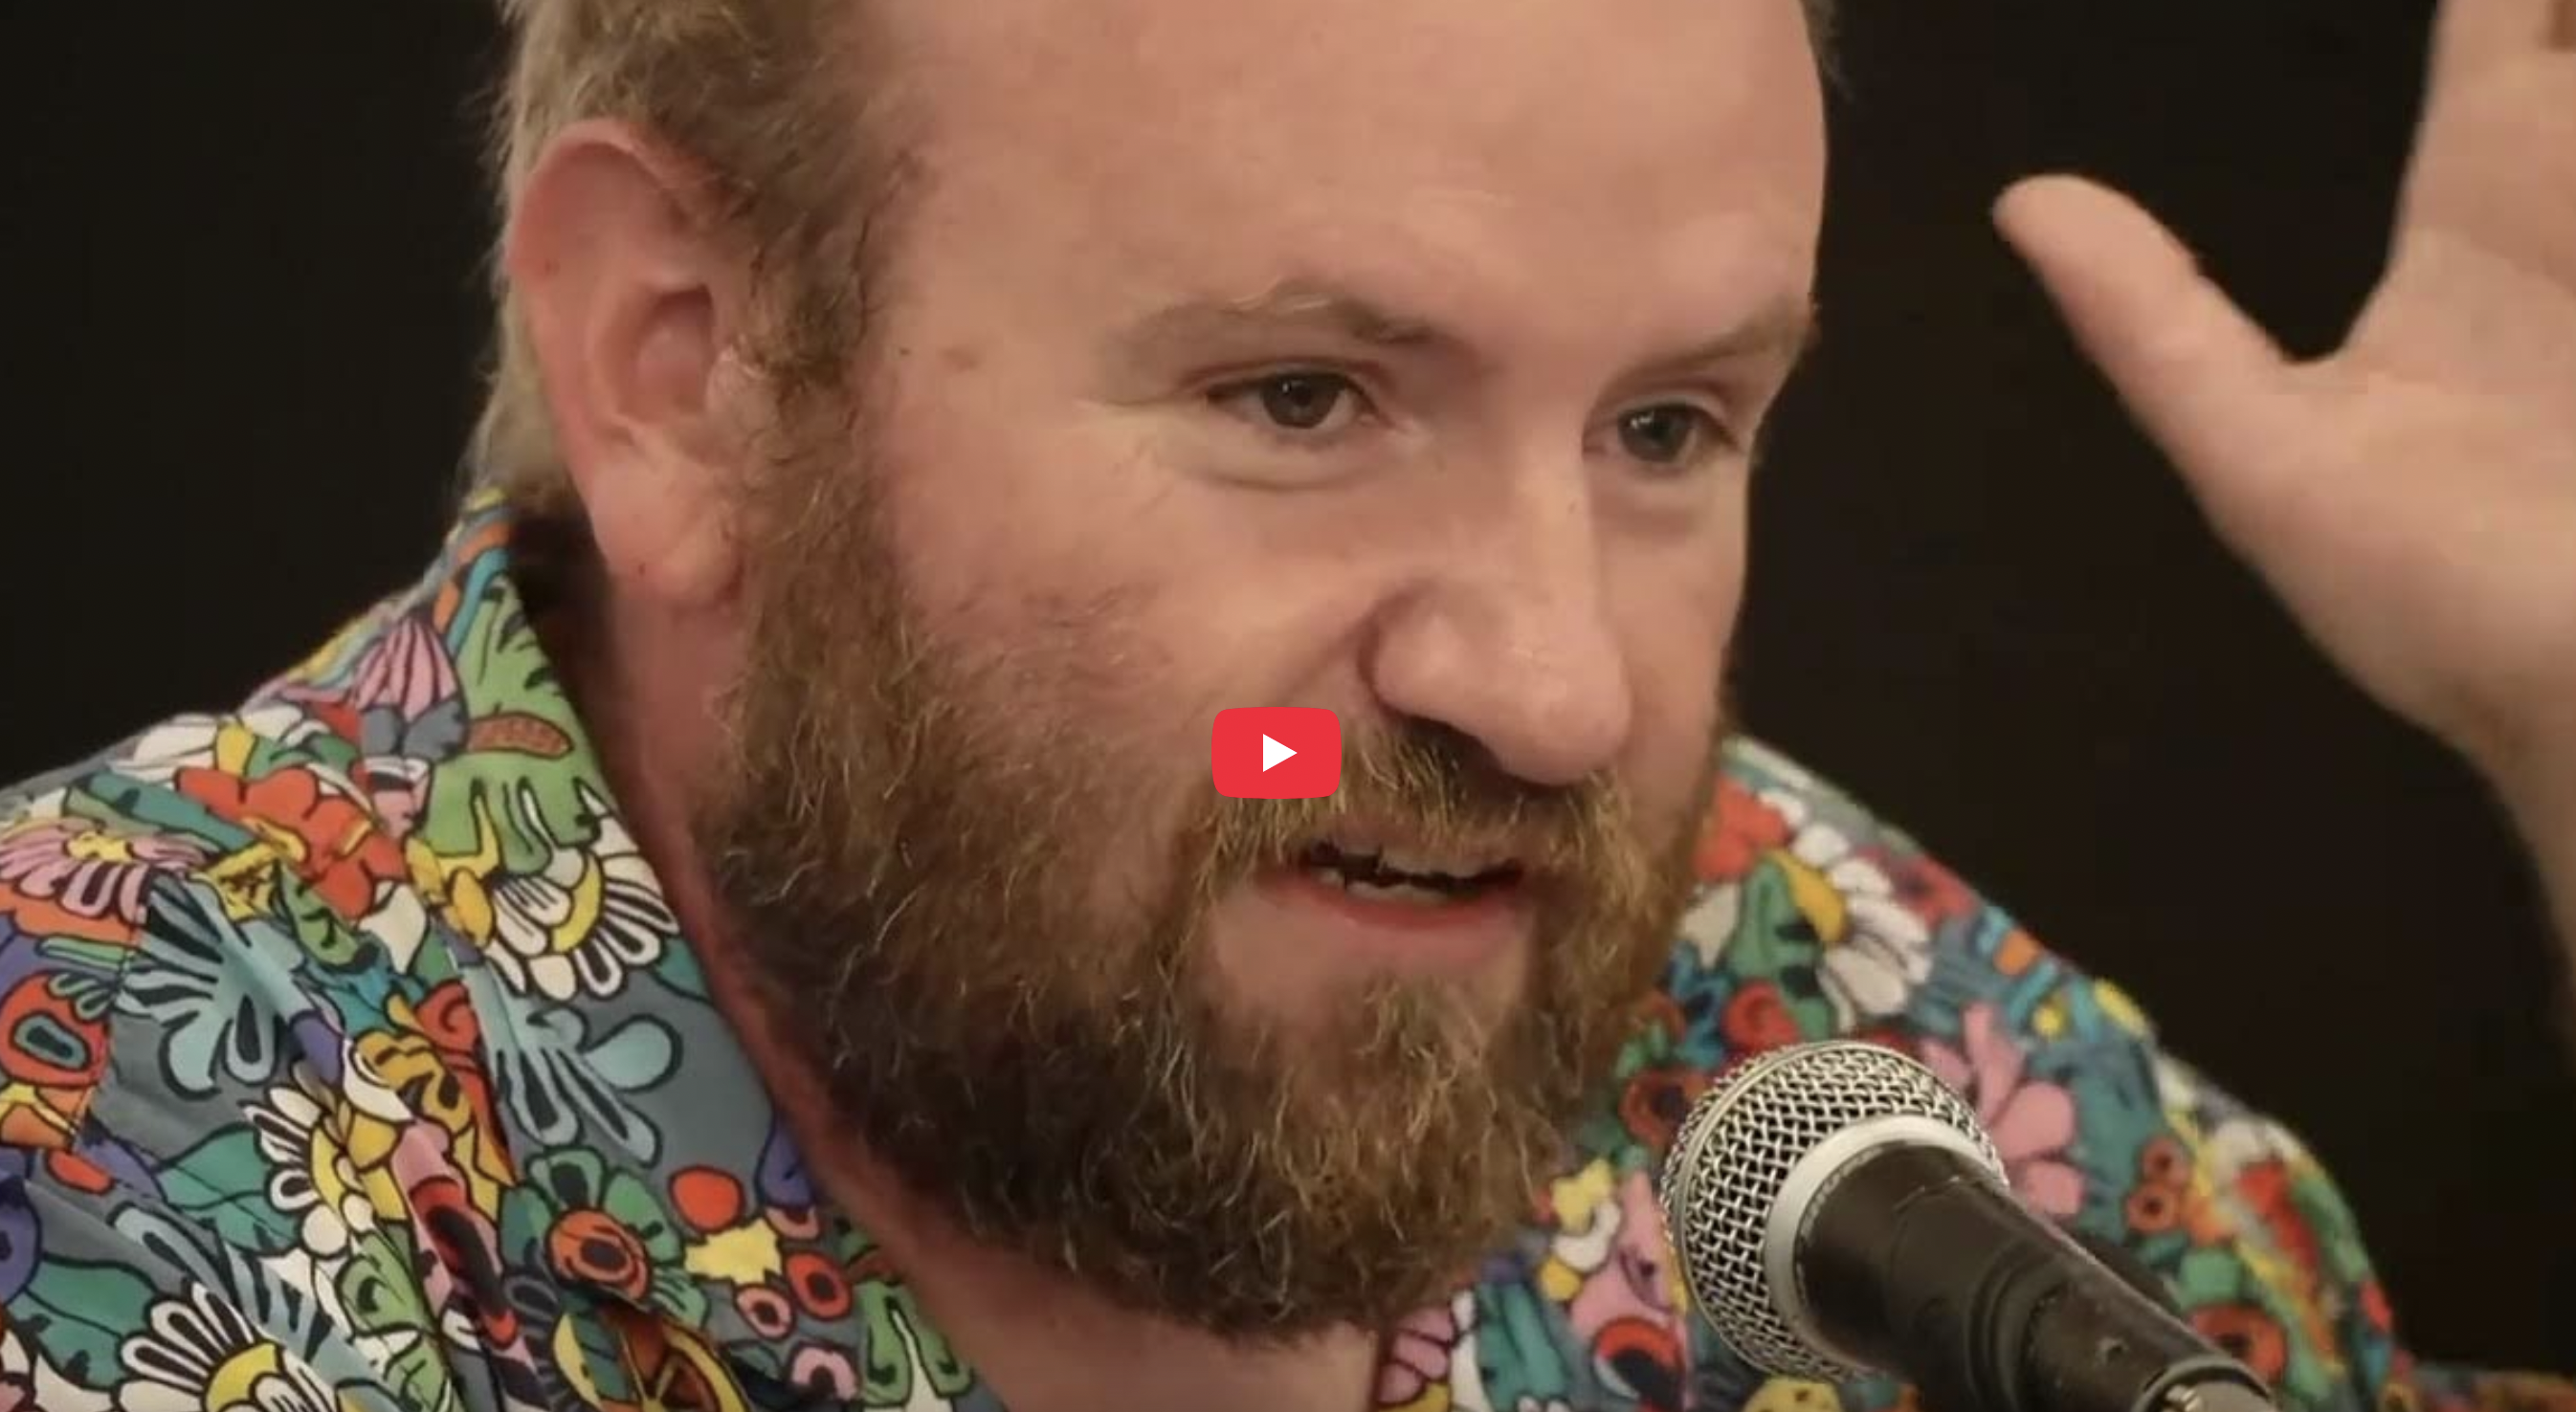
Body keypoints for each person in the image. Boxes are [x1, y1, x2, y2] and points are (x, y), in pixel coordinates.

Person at [1, 0, 2570, 1408]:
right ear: (689, 368)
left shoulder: (1832, 1031)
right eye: (1305, 397)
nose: (1555, 693)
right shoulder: (88, 1178)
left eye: (1666, 427)